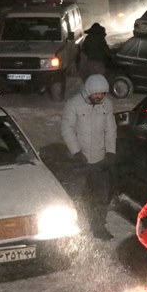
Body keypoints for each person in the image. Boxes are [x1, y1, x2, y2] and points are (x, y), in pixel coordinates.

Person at [60, 73, 117, 240]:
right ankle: (72, 226)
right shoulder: (74, 104)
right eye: (96, 94)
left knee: (101, 196)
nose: (99, 97)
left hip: (100, 159)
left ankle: (99, 226)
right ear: (88, 92)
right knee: (77, 194)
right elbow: (67, 128)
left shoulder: (106, 105)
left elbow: (110, 129)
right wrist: (76, 151)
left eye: (102, 94)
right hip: (79, 160)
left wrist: (111, 151)